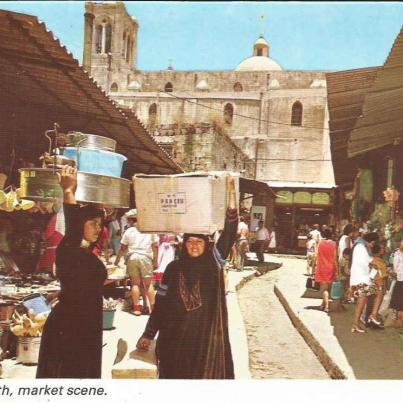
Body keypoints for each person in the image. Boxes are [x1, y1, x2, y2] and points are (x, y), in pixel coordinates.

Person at [136, 178, 238, 379]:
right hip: (174, 339)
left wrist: (231, 196)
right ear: (183, 244)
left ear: (206, 244)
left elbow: (229, 235)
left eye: (199, 241)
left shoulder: (213, 263)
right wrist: (149, 334)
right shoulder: (173, 269)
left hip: (203, 342)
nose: (194, 246)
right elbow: (161, 304)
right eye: (190, 241)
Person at [37, 166, 106, 378]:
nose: (97, 228)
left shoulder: (86, 253)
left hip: (87, 323)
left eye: (100, 224)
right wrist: (68, 191)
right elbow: (73, 224)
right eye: (92, 223)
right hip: (70, 327)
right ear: (79, 225)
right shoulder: (69, 249)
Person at [114, 210, 159, 316]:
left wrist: (117, 260)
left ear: (131, 220)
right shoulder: (150, 231)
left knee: (135, 284)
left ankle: (137, 309)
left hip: (132, 257)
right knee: (148, 285)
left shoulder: (129, 231)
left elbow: (123, 248)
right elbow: (155, 246)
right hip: (145, 258)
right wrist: (155, 260)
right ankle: (154, 309)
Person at [350, 232, 379, 333]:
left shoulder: (360, 246)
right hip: (361, 278)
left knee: (375, 294)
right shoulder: (361, 247)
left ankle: (362, 320)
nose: (372, 246)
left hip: (362, 277)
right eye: (372, 244)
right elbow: (367, 261)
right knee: (362, 301)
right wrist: (375, 263)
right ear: (371, 241)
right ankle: (356, 323)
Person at [315, 228, 338, 313]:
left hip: (322, 267)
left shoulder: (320, 244)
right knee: (328, 288)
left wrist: (314, 267)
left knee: (324, 288)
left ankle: (326, 306)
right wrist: (337, 270)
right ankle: (324, 305)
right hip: (331, 267)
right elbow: (335, 258)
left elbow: (317, 256)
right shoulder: (334, 244)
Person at [365, 243, 388, 328]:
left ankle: (368, 321)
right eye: (382, 248)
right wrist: (384, 288)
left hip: (370, 283)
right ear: (379, 251)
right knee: (376, 304)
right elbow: (384, 276)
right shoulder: (380, 262)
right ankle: (373, 319)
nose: (384, 249)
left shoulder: (371, 260)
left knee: (370, 303)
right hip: (378, 284)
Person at [390, 240, 403, 324]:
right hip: (400, 280)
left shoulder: (397, 254)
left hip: (400, 280)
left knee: (400, 305)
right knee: (401, 305)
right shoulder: (397, 254)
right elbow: (395, 269)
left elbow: (395, 268)